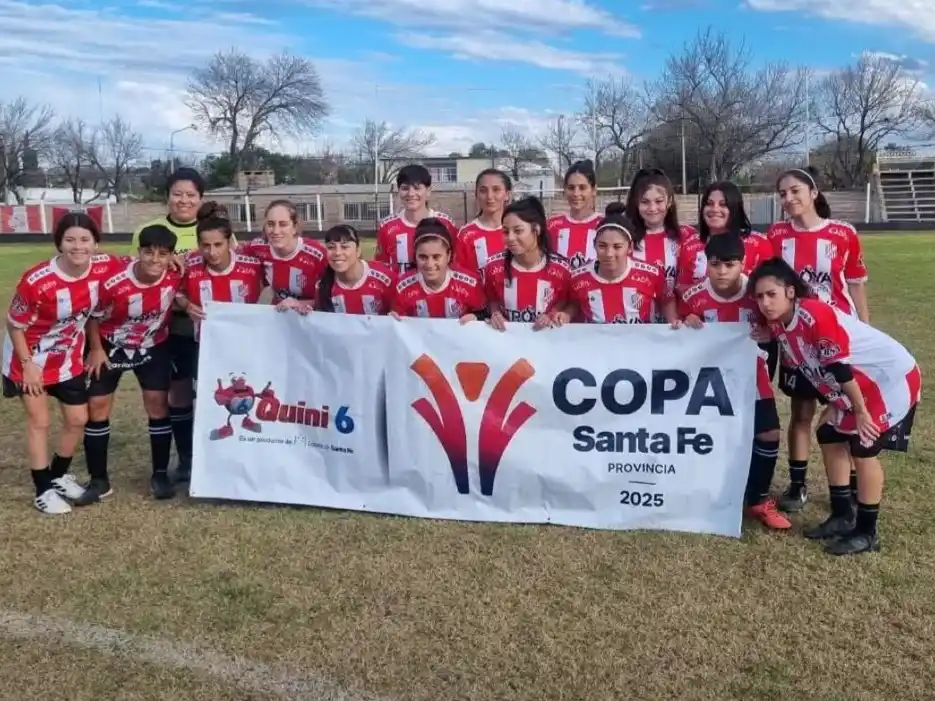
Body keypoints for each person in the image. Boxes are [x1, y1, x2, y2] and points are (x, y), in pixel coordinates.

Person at [748, 258, 920, 555]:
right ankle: (842, 514)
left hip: (886, 379)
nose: (765, 303)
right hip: (856, 385)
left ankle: (867, 532)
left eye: (771, 294)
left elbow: (840, 369)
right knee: (829, 432)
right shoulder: (780, 323)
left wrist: (860, 411)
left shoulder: (815, 314)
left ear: (790, 291)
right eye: (759, 296)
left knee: (863, 445)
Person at [2, 212, 124, 514]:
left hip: (67, 358)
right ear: (59, 243)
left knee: (78, 419)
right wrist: (27, 364)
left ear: (96, 243)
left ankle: (57, 475)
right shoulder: (36, 281)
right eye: (70, 240)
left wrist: (176, 261)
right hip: (29, 358)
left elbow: (138, 263)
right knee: (40, 421)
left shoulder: (105, 265)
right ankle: (42, 490)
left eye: (85, 240)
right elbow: (14, 324)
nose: (78, 246)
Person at [767, 166, 869, 513]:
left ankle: (850, 486)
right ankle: (798, 485)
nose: (788, 198)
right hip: (796, 339)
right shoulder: (777, 235)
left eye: (795, 190)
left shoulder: (843, 233)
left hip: (838, 335)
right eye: (782, 193)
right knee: (801, 411)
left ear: (813, 192)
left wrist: (865, 327)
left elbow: (855, 284)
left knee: (846, 409)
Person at [681, 234, 788, 530]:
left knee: (768, 433)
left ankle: (759, 499)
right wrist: (685, 322)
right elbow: (677, 330)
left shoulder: (757, 292)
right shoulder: (693, 297)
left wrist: (771, 333)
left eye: (729, 265)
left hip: (752, 374)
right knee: (705, 434)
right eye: (715, 264)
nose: (722, 271)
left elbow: (783, 320)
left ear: (742, 263)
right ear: (706, 264)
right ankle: (704, 492)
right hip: (709, 381)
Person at [79, 224, 182, 504]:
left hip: (153, 344)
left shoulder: (175, 274)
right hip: (110, 345)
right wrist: (96, 349)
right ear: (139, 252)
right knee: (97, 406)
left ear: (171, 256)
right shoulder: (115, 280)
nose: (155, 260)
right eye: (149, 252)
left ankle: (160, 475)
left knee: (158, 404)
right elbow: (93, 316)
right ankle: (99, 480)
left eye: (163, 254)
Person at [132, 168, 210, 486]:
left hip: (211, 328)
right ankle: (187, 459)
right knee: (178, 394)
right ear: (167, 196)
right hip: (173, 328)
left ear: (201, 198)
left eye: (191, 194)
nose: (184, 200)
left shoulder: (214, 230)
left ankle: (214, 456)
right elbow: (138, 279)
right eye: (177, 193)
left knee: (216, 391)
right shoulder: (148, 231)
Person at [175, 203, 264, 382]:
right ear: (198, 244)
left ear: (229, 242)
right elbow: (175, 292)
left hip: (246, 345)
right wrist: (187, 305)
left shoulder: (253, 265)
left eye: (218, 245)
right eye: (205, 245)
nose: (212, 252)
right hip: (205, 347)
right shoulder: (188, 265)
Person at [568, 207, 679, 326]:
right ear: (594, 245)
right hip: (595, 338)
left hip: (641, 338)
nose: (609, 254)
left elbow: (667, 300)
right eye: (602, 246)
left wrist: (673, 320)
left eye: (617, 247)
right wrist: (566, 315)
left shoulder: (651, 274)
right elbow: (573, 304)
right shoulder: (578, 277)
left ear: (630, 247)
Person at [484, 196, 572, 330]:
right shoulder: (493, 267)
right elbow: (492, 300)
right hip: (507, 340)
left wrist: (553, 315)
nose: (510, 238)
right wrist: (495, 314)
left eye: (518, 231)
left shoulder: (562, 269)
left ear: (537, 229)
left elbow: (567, 302)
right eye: (506, 231)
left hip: (547, 340)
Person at [675, 181, 772, 294]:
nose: (715, 209)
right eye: (709, 203)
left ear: (735, 209)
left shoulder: (759, 243)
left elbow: (771, 287)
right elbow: (682, 289)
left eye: (723, 204)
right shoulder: (690, 245)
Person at [623, 169, 695, 318]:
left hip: (679, 323)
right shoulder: (625, 239)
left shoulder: (687, 236)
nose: (652, 208)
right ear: (636, 203)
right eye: (645, 202)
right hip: (639, 324)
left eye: (659, 201)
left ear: (669, 201)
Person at [390, 218, 487, 322]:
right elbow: (397, 323)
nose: (429, 264)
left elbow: (486, 315)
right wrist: (391, 318)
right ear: (415, 256)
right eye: (423, 257)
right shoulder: (403, 288)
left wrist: (476, 317)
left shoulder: (471, 284)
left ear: (448, 255)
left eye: (436, 257)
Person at [240, 200, 327, 314]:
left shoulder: (317, 255)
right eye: (270, 224)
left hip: (313, 316)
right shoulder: (257, 248)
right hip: (280, 315)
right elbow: (231, 259)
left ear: (295, 227)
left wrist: (301, 304)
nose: (276, 231)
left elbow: (332, 298)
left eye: (283, 224)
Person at [374, 164, 458, 275]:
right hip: (399, 286)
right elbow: (381, 267)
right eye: (405, 188)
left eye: (417, 188)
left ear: (428, 190)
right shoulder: (387, 227)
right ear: (398, 190)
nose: (411, 193)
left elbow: (455, 265)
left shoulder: (446, 224)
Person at [315, 225, 396, 315]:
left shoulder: (386, 279)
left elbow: (400, 313)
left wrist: (395, 315)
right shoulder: (323, 286)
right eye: (331, 247)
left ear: (358, 251)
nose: (337, 253)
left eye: (344, 247)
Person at [453, 169, 512, 276]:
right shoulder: (466, 235)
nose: (489, 196)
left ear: (507, 194)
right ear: (476, 194)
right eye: (483, 191)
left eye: (496, 189)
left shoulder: (518, 230)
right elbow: (460, 275)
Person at [547, 160, 602, 270]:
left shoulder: (606, 225)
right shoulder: (551, 225)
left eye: (582, 188)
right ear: (565, 190)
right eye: (571, 188)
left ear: (594, 190)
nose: (576, 194)